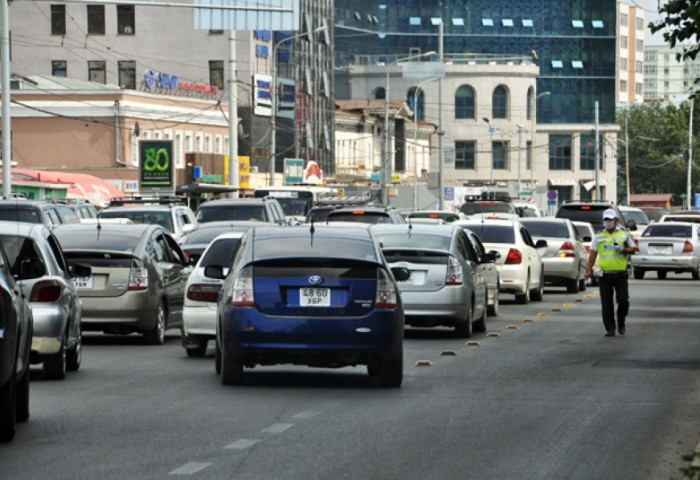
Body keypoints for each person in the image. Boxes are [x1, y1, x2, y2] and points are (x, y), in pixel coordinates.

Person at [585, 208, 637, 337]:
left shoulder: (624, 234)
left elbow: (633, 249)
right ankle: (610, 328)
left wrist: (623, 249)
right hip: (605, 274)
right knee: (606, 303)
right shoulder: (599, 236)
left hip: (620, 273)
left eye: (610, 219)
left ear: (616, 220)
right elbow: (593, 253)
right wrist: (589, 270)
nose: (607, 222)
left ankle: (621, 321)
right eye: (605, 219)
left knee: (623, 301)